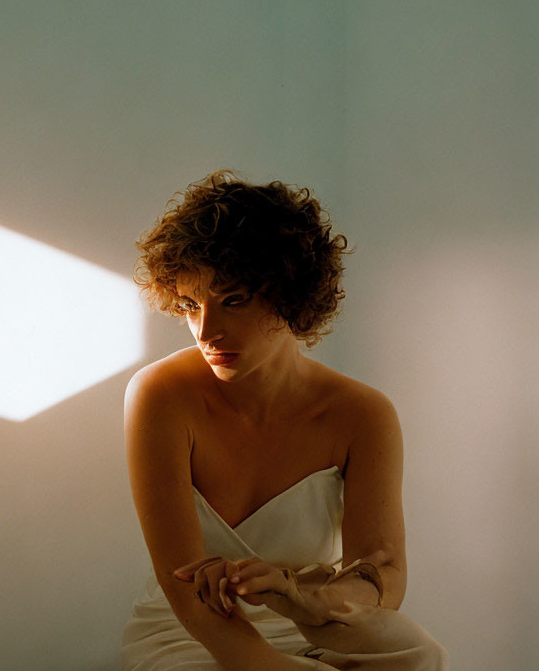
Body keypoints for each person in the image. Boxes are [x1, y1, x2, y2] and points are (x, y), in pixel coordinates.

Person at [120, 170, 448, 670]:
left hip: (316, 623)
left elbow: (384, 574)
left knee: (419, 653)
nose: (206, 331)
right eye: (190, 304)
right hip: (195, 634)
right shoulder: (159, 396)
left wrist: (307, 600)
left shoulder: (363, 414)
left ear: (291, 294)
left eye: (233, 300)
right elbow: (187, 595)